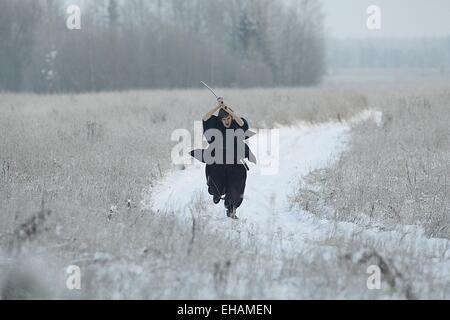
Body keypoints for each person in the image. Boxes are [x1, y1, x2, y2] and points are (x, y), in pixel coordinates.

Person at [191, 97, 255, 219]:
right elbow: (205, 118)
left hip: (235, 161)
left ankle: (231, 209)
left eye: (228, 118)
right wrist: (218, 107)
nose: (226, 121)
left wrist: (229, 110)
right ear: (220, 120)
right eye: (224, 119)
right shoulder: (215, 125)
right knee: (216, 181)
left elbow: (242, 124)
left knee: (237, 183)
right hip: (217, 160)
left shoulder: (236, 125)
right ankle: (217, 194)